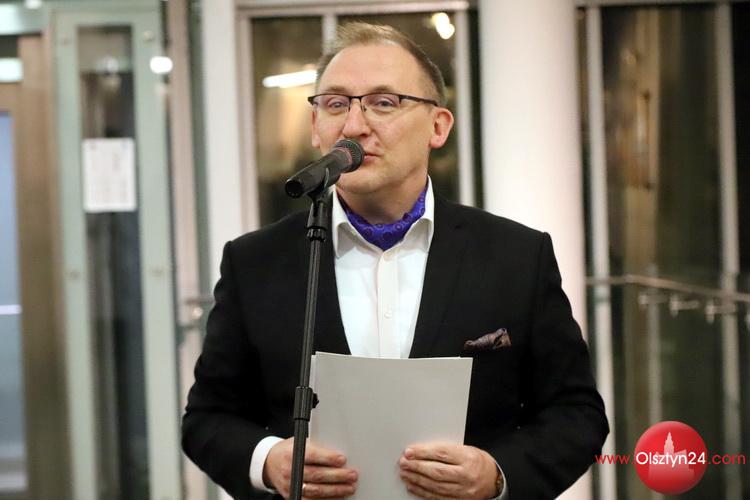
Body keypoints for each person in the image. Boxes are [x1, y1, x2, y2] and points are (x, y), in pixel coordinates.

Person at [182, 22, 608, 500]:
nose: (354, 126)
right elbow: (208, 418)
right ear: (316, 127)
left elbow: (576, 414)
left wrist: (496, 474)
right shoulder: (255, 262)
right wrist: (268, 461)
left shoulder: (516, 256)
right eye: (336, 104)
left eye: (383, 103)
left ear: (438, 126)